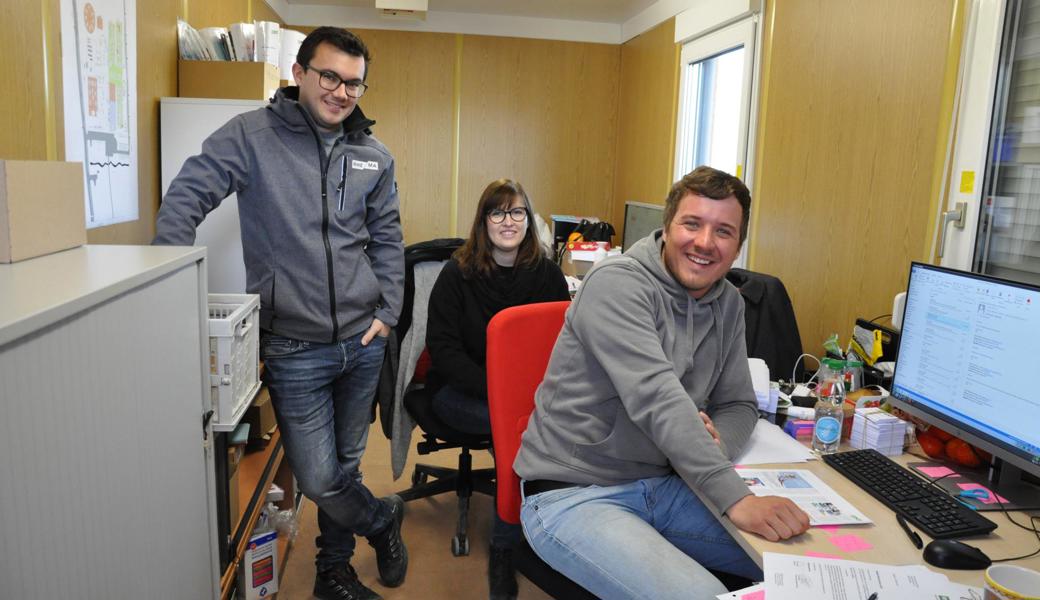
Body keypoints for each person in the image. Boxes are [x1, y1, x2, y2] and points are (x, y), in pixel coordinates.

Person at [153, 27, 406, 600]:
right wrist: (164, 285)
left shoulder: (373, 154)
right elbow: (187, 194)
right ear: (299, 73)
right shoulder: (251, 136)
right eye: (330, 77)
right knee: (318, 477)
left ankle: (332, 573)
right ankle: (383, 520)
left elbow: (389, 240)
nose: (342, 92)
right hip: (293, 345)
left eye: (354, 82)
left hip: (363, 340)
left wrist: (388, 311)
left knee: (345, 466)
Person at [514, 166, 811, 599]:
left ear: (739, 245)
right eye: (692, 224)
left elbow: (738, 405)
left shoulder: (727, 300)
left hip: (668, 485)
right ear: (668, 227)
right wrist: (736, 499)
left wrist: (714, 445)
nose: (705, 243)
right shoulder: (616, 284)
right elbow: (659, 399)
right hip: (576, 493)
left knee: (809, 565)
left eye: (724, 231)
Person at [425, 178, 569, 600]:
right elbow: (444, 351)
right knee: (521, 436)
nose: (509, 221)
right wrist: (499, 395)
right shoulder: (458, 274)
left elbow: (562, 347)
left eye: (518, 212)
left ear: (529, 220)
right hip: (461, 392)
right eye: (498, 212)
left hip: (529, 400)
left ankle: (556, 529)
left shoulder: (547, 276)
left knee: (558, 428)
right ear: (483, 221)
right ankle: (506, 548)